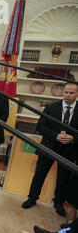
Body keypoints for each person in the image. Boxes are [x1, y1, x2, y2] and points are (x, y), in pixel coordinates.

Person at [21, 83, 78, 215]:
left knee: (63, 178)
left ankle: (58, 202)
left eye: (71, 93)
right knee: (39, 174)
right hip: (49, 147)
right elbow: (41, 126)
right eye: (66, 92)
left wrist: (73, 139)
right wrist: (56, 136)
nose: (68, 95)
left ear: (77, 94)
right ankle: (32, 198)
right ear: (63, 92)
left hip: (69, 150)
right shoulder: (51, 108)